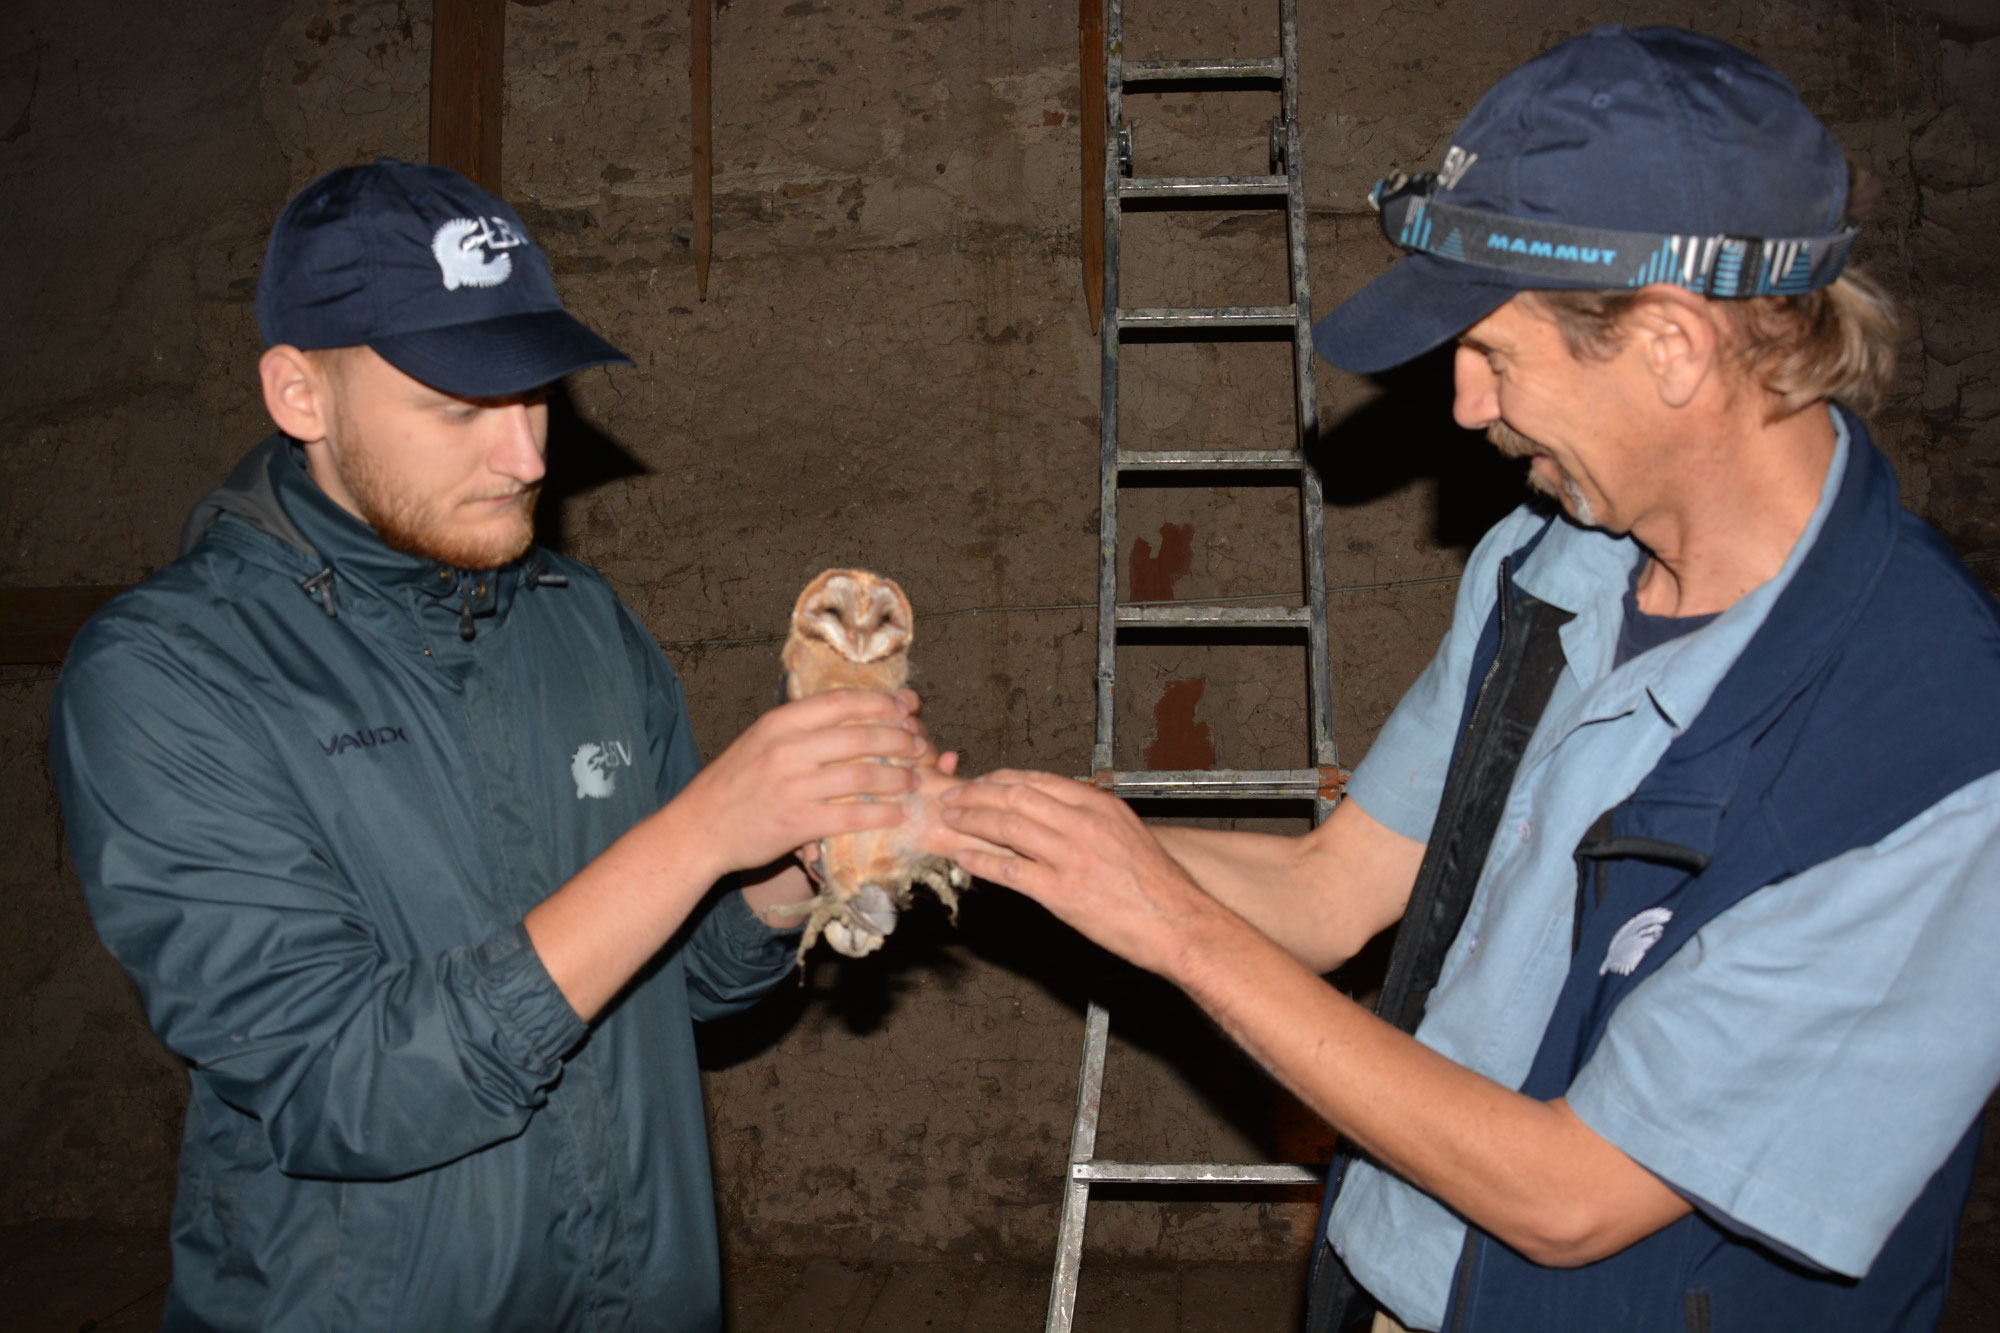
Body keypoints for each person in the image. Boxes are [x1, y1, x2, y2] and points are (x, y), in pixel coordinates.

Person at [931, 25, 2000, 1332]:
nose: (1463, 404)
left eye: (1495, 350)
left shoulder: (1931, 751)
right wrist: (982, 832)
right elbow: (1331, 893)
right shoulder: (1546, 571)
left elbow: (1573, 1196)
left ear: (1671, 343)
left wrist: (1171, 926)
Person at [49, 159, 937, 1332]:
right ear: (299, 393)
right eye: (460, 408)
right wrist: (700, 828)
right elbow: (343, 1087)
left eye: (534, 395)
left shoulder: (581, 622)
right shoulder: (168, 674)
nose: (525, 456)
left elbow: (677, 989)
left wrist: (786, 870)